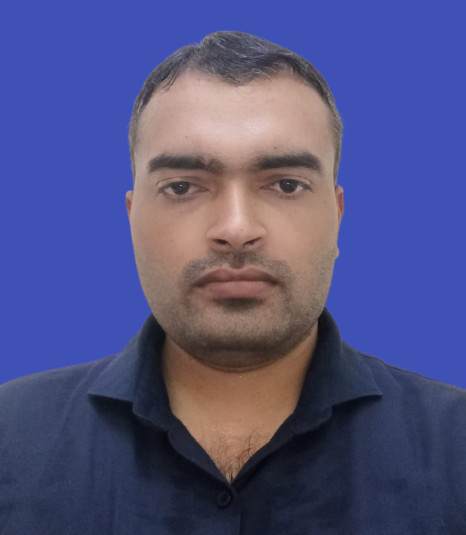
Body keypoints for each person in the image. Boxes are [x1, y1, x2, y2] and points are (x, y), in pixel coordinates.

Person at [1, 31, 465, 534]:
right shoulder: (11, 437)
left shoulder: (454, 446)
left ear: (336, 215)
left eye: (286, 184)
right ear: (132, 218)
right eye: (182, 187)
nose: (237, 228)